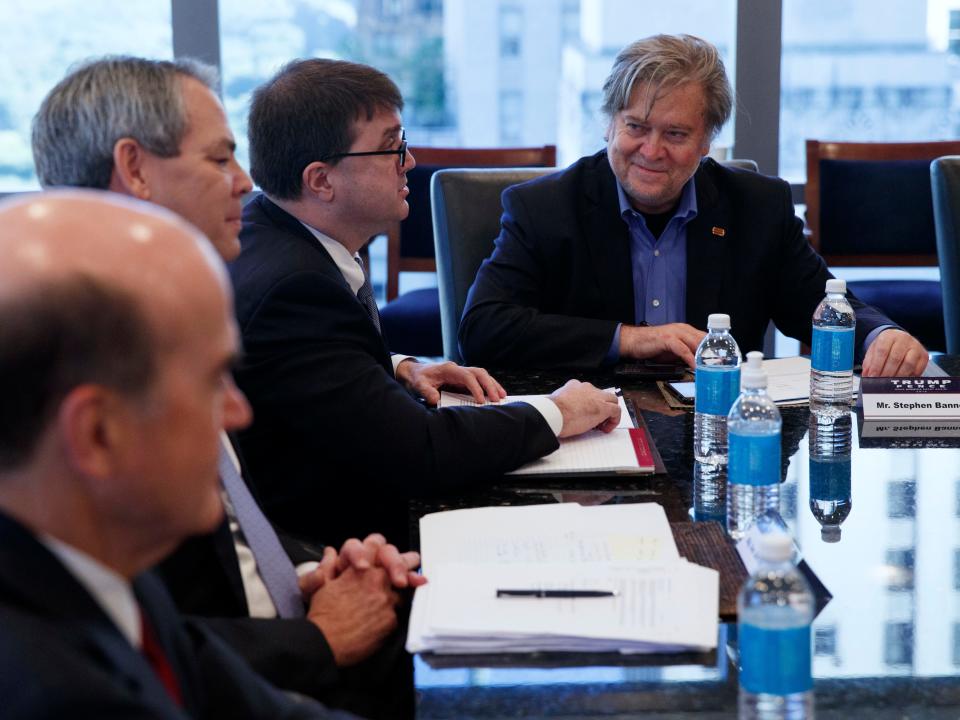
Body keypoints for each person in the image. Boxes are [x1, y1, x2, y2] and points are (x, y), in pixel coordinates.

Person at [32, 56, 418, 718]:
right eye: (218, 161)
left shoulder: (160, 316)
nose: (244, 183)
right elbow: (128, 642)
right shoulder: (73, 361)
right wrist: (317, 636)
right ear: (136, 170)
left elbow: (227, 544)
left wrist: (311, 572)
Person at [233, 58, 621, 549]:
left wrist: (394, 367)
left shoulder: (271, 228)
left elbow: (308, 368)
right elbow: (420, 451)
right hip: (334, 545)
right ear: (321, 181)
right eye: (391, 147)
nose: (409, 162)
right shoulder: (295, 289)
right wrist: (558, 412)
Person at [0, 190, 356, 719]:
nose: (238, 414)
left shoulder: (98, 558)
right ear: (98, 434)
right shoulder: (60, 695)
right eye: (214, 381)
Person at [458, 33, 928, 378]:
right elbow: (484, 328)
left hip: (724, 433)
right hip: (589, 429)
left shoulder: (757, 206)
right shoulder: (544, 207)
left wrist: (877, 334)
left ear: (707, 142)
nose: (651, 150)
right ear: (609, 125)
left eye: (676, 134)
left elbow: (819, 300)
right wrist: (631, 339)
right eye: (636, 127)